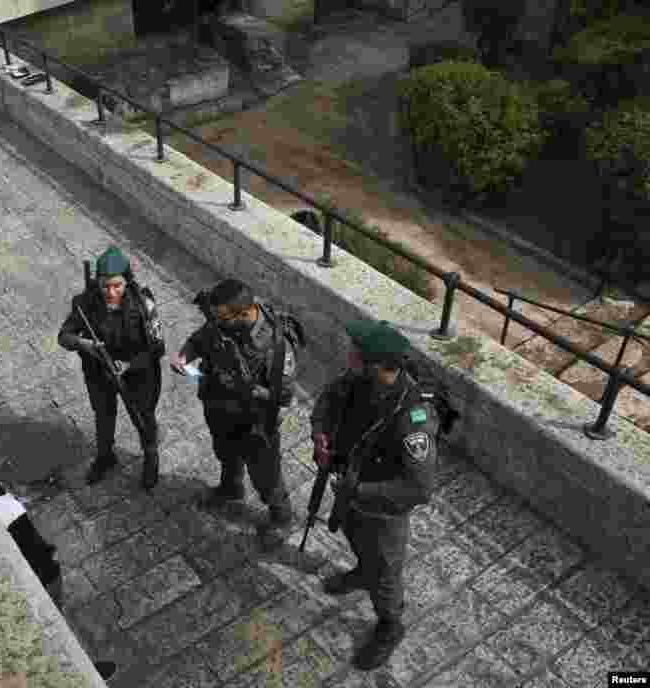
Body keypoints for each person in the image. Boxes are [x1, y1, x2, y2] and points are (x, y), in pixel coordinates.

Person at [309, 319, 441, 671]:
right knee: (356, 539)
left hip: (383, 512)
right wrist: (319, 433)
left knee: (385, 571)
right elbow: (327, 400)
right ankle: (362, 570)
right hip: (350, 490)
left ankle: (389, 624)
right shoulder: (358, 380)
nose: (350, 358)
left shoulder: (413, 419)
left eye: (359, 355)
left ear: (381, 366)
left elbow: (419, 488)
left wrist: (360, 489)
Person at [0, 423, 117, 681]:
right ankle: (79, 673)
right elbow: (37, 558)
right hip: (39, 586)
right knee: (56, 634)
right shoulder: (6, 512)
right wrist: (53, 585)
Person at [169, 278, 306, 536]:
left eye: (222, 319)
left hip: (255, 419)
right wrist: (184, 357)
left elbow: (285, 396)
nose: (216, 322)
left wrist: (252, 390)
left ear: (244, 313)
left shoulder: (276, 346)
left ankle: (281, 516)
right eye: (215, 317)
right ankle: (231, 488)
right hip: (219, 407)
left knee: (265, 474)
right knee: (225, 452)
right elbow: (200, 339)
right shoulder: (222, 319)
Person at [57, 246, 166, 490]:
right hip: (99, 373)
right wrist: (83, 343)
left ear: (127, 281)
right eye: (105, 286)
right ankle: (105, 457)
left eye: (117, 285)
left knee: (144, 417)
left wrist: (129, 364)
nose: (110, 292)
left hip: (138, 373)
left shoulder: (144, 305)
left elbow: (158, 348)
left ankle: (151, 458)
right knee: (103, 416)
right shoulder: (85, 303)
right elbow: (63, 336)